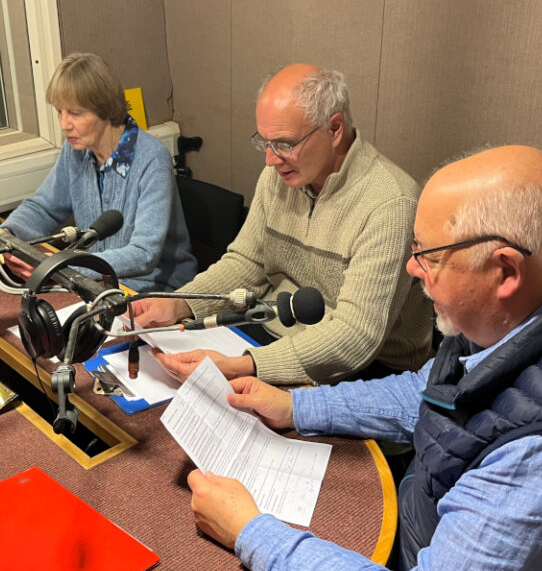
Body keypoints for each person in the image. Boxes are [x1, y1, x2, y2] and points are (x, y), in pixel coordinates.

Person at [185, 145, 542, 571]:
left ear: (504, 270)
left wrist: (250, 531)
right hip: (427, 528)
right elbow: (431, 391)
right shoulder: (532, 308)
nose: (412, 269)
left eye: (427, 255)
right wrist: (296, 405)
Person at [132, 63, 432, 385]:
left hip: (369, 367)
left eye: (285, 144)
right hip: (276, 330)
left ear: (334, 129)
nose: (270, 160)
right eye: (264, 142)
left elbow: (356, 335)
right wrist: (180, 304)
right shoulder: (279, 176)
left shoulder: (391, 204)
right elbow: (247, 263)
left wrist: (248, 365)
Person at [1, 52, 197, 292]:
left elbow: (144, 254)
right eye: (60, 112)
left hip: (155, 288)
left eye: (75, 113)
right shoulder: (75, 150)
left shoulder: (152, 159)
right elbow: (44, 208)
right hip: (98, 281)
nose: (64, 124)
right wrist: (6, 236)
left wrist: (64, 267)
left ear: (105, 109)